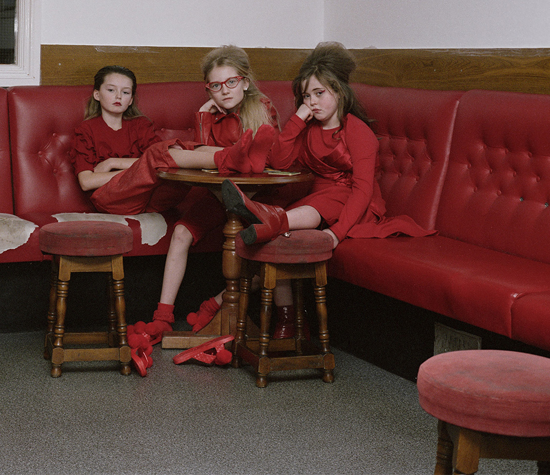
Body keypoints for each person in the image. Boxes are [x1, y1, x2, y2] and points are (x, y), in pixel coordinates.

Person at [221, 41, 433, 335]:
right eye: (307, 96)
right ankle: (287, 319)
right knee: (273, 241)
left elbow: (362, 190)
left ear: (339, 91)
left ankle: (270, 218)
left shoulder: (357, 131)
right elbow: (281, 161)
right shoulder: (307, 128)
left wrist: (335, 234)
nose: (313, 103)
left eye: (319, 93)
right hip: (315, 201)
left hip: (353, 205)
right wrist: (296, 120)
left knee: (309, 208)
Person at [71, 48, 277, 342]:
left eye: (230, 82)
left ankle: (187, 311)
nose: (223, 91)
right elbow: (89, 181)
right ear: (96, 94)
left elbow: (175, 161)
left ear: (245, 82)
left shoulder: (261, 110)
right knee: (160, 157)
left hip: (230, 194)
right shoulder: (86, 130)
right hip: (122, 197)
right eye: (215, 86)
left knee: (167, 169)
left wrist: (120, 162)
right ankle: (234, 157)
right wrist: (202, 122)